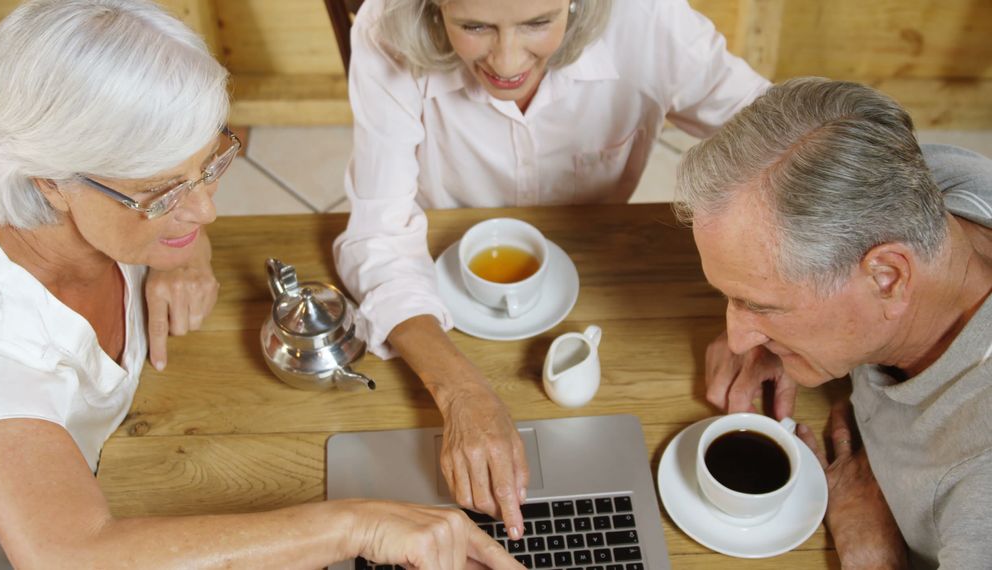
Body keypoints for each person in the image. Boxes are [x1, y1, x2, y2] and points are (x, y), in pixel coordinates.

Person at [0, 2, 521, 568]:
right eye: (165, 192)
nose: (205, 211)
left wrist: (177, 250)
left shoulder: (70, 170)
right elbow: (71, 555)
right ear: (49, 181)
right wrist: (358, 527)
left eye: (209, 165)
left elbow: (172, 213)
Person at [333, 0, 770, 537]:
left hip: (611, 283)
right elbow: (379, 232)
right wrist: (462, 393)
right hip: (440, 298)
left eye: (538, 23)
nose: (507, 60)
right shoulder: (387, 23)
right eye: (475, 26)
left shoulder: (649, 17)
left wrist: (763, 314)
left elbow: (780, 146)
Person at [674, 77, 992, 568]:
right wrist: (777, 332)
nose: (736, 339)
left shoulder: (980, 484)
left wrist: (877, 557)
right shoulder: (923, 177)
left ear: (887, 278)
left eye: (761, 306)